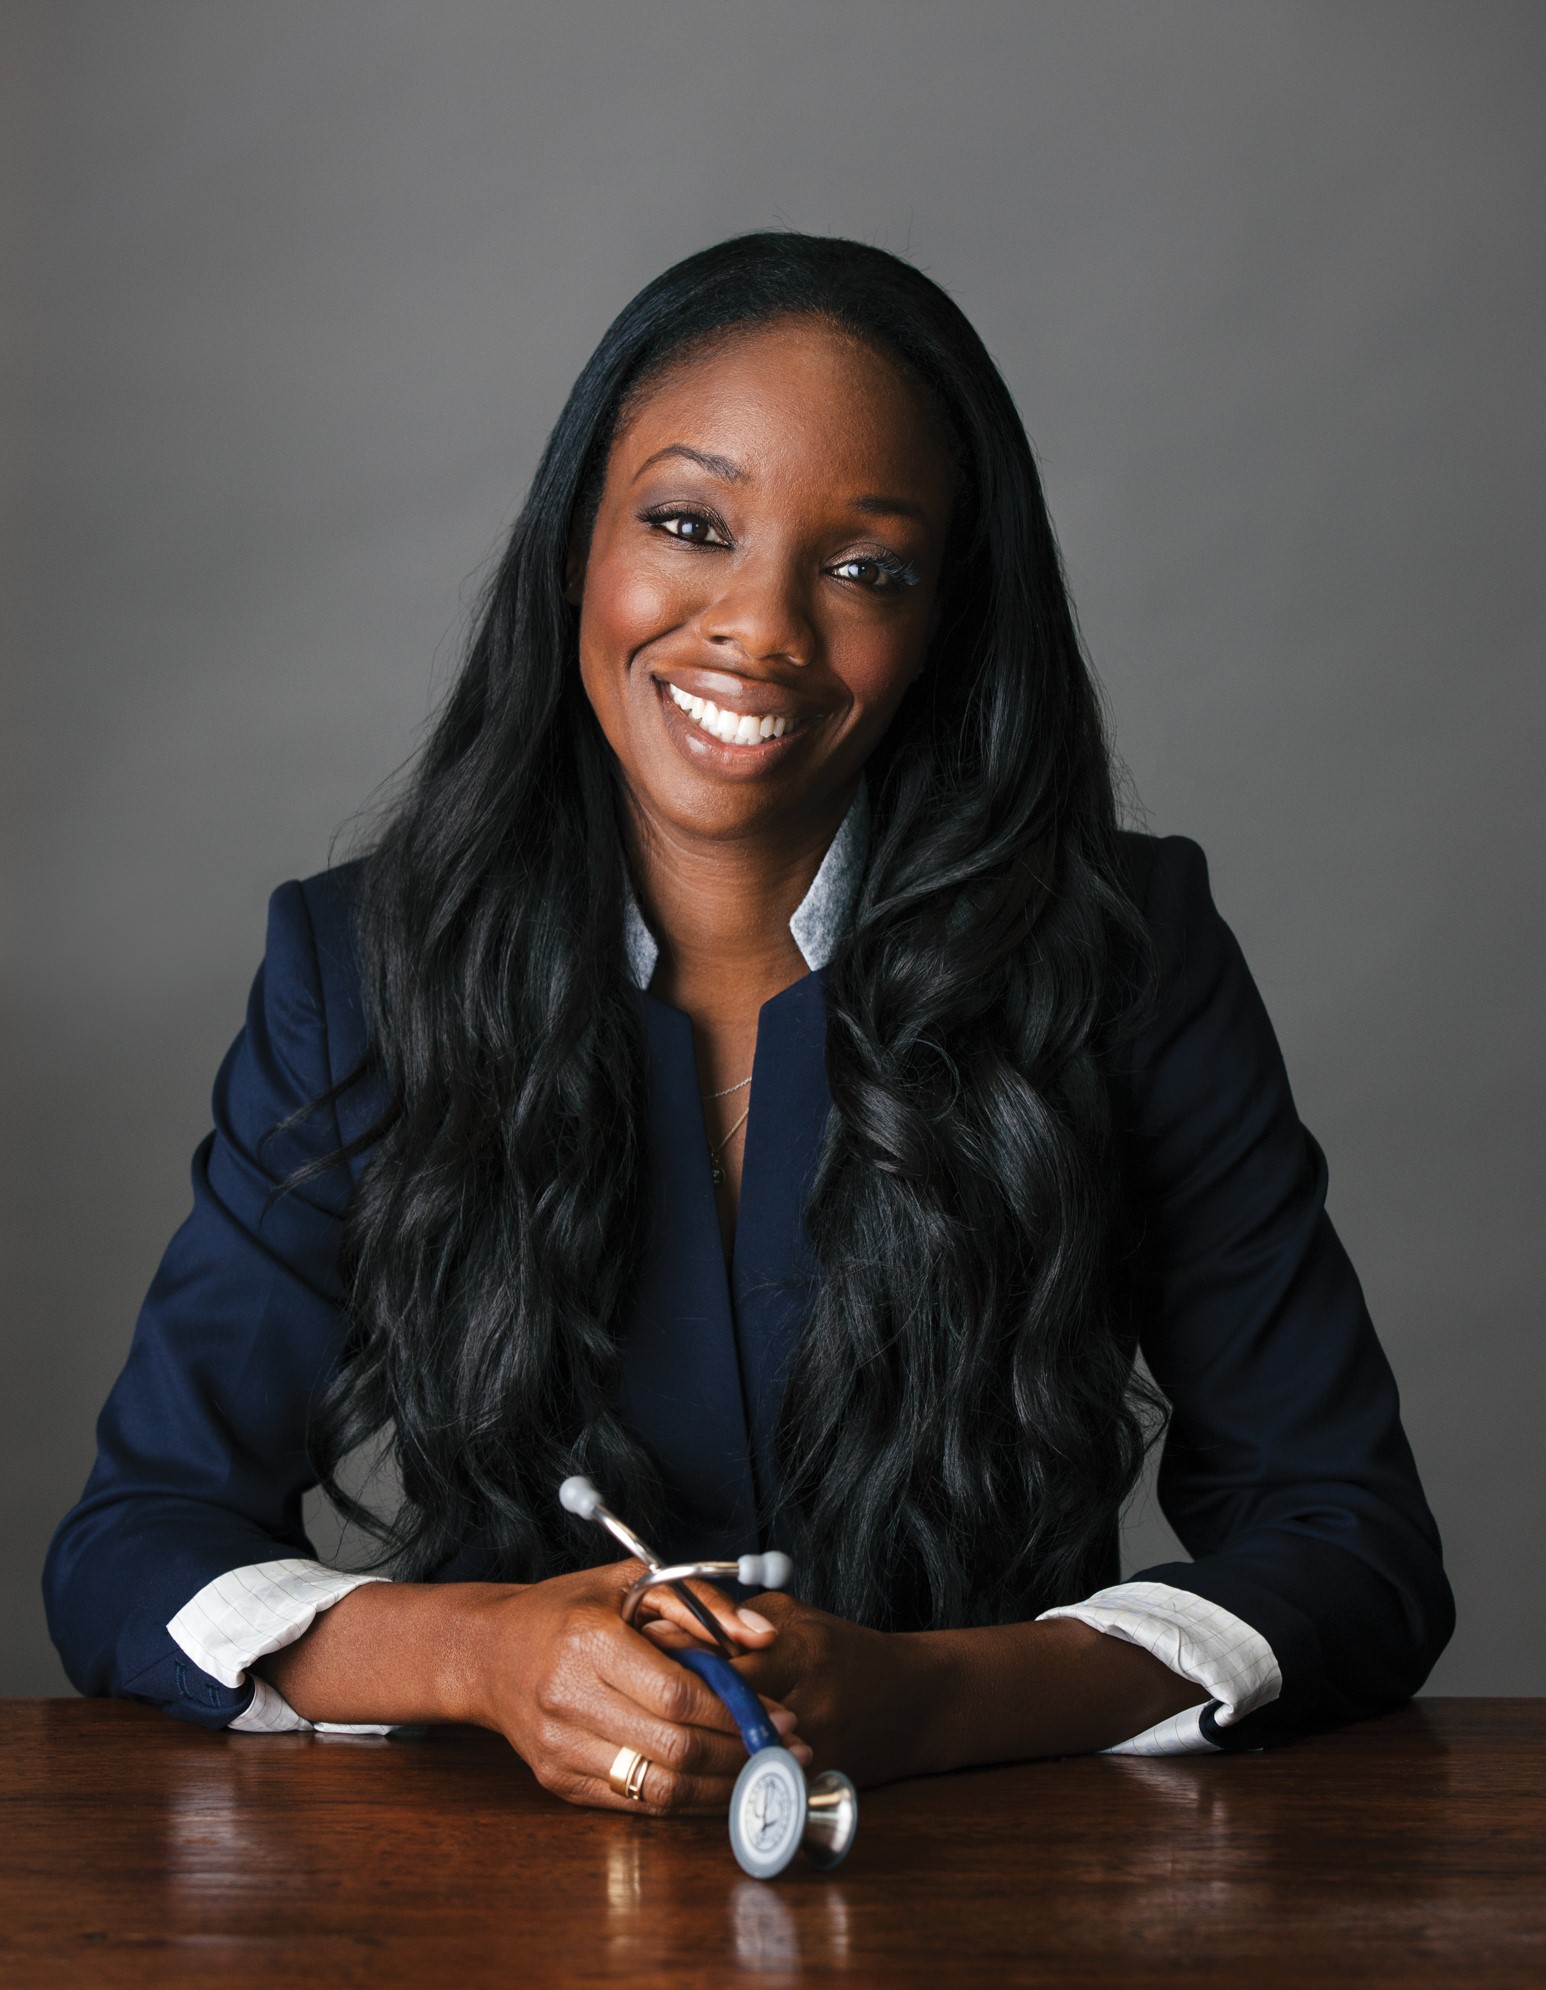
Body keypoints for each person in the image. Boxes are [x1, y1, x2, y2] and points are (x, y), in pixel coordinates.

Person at [45, 233, 1452, 1814]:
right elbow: (131, 1547)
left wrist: (924, 1698)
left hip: (1002, 1879)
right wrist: (482, 1657)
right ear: (579, 540)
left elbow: (1352, 1544)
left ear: (943, 621)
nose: (763, 626)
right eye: (688, 523)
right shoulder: (360, 966)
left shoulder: (1123, 954)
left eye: (865, 568)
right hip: (492, 1908)